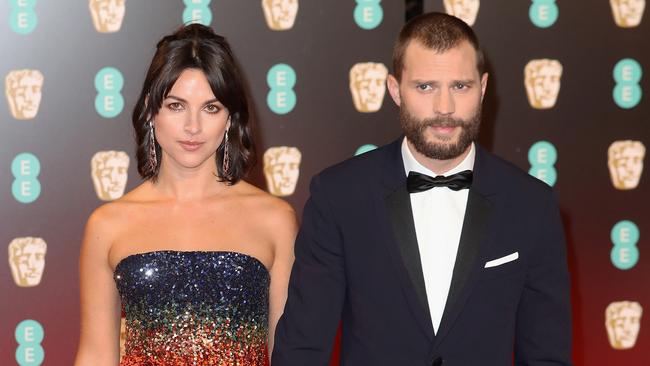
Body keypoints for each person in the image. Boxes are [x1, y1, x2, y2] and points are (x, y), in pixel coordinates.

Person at [273, 12, 572, 366]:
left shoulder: (531, 205)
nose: (444, 108)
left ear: (484, 88)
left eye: (460, 86)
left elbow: (546, 357)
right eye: (425, 86)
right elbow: (302, 350)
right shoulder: (339, 197)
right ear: (395, 90)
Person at [74, 24, 297, 366]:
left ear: (229, 118)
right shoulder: (108, 225)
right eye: (176, 106)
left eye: (211, 108)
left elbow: (289, 354)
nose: (193, 126)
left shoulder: (275, 220)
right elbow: (95, 356)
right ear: (151, 109)